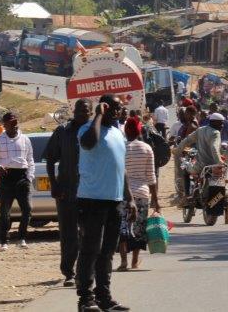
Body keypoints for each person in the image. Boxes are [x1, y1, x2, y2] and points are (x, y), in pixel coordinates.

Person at [75, 94, 135, 312]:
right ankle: (85, 299)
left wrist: (129, 197)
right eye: (114, 107)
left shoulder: (118, 133)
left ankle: (104, 297)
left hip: (114, 200)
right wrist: (98, 116)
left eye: (120, 108)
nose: (118, 111)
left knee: (108, 251)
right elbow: (88, 143)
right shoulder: (88, 129)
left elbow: (121, 167)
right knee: (91, 249)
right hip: (92, 199)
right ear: (104, 107)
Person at [45, 99, 92, 286]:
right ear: (74, 110)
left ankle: (86, 271)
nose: (82, 113)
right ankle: (69, 273)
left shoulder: (95, 131)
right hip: (67, 191)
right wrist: (54, 184)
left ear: (91, 113)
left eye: (86, 111)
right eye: (79, 110)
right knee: (68, 234)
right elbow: (50, 159)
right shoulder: (62, 132)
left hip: (91, 192)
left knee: (89, 233)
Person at [0, 112, 35, 251]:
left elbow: (30, 159)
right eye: (11, 123)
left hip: (22, 177)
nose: (15, 125)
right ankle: (4, 242)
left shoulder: (25, 139)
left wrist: (29, 177)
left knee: (27, 210)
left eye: (16, 122)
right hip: (6, 177)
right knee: (5, 211)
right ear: (5, 125)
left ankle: (21, 238)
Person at [117, 118, 160, 272]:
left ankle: (123, 261)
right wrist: (155, 200)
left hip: (122, 194)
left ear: (125, 130)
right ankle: (134, 261)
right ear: (139, 130)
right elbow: (151, 177)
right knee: (139, 228)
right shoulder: (147, 148)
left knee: (123, 226)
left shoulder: (120, 147)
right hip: (142, 193)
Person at [175, 113, 228, 204]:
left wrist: (178, 150)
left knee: (185, 169)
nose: (222, 126)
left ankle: (187, 196)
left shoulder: (200, 130)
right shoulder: (216, 133)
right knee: (222, 181)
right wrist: (219, 162)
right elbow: (214, 148)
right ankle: (217, 201)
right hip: (214, 167)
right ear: (214, 122)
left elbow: (187, 140)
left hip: (200, 167)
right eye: (220, 123)